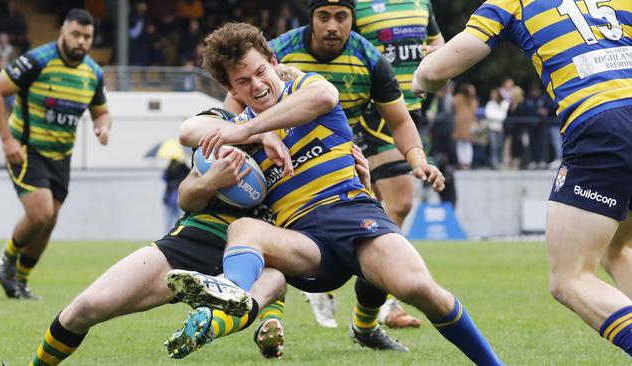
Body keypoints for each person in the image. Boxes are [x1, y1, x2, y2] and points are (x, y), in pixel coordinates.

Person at [170, 22, 503, 365]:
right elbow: (188, 130)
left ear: (272, 60)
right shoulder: (232, 127)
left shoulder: (303, 87)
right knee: (243, 231)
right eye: (243, 81)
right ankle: (232, 293)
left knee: (419, 288)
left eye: (260, 71)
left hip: (354, 216)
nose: (256, 85)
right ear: (230, 87)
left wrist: (255, 129)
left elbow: (325, 96)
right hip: (302, 241)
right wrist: (246, 133)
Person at [412, 0, 632, 357]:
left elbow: (443, 67)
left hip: (601, 125)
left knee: (569, 279)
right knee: (616, 249)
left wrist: (420, 78)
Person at [225, 0, 425, 340]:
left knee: (397, 206)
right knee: (269, 217)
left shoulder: (368, 58)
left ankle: (369, 314)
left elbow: (400, 119)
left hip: (353, 135)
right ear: (312, 19)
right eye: (324, 16)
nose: (332, 25)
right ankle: (273, 309)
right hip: (283, 138)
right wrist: (260, 130)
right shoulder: (278, 51)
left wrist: (420, 160)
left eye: (341, 17)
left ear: (353, 20)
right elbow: (233, 108)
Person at [27, 107, 291, 364]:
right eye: (240, 80)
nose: (252, 87)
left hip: (254, 255)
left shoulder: (302, 143)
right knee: (86, 307)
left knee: (275, 278)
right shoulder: (225, 125)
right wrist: (213, 179)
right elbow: (186, 190)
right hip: (191, 242)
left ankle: (217, 324)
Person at [0, 9, 111, 300]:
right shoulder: (37, 61)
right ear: (62, 33)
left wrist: (103, 128)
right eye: (76, 34)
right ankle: (8, 261)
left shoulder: (92, 73)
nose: (81, 41)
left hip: (61, 156)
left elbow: (102, 112)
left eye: (87, 37)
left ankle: (21, 282)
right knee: (40, 212)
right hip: (26, 149)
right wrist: (6, 141)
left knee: (50, 220)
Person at [353, 0, 445, 330]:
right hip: (372, 113)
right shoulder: (357, 6)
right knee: (401, 202)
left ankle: (366, 308)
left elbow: (439, 46)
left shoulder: (421, 3)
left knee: (372, 211)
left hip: (411, 108)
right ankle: (380, 300)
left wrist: (434, 55)